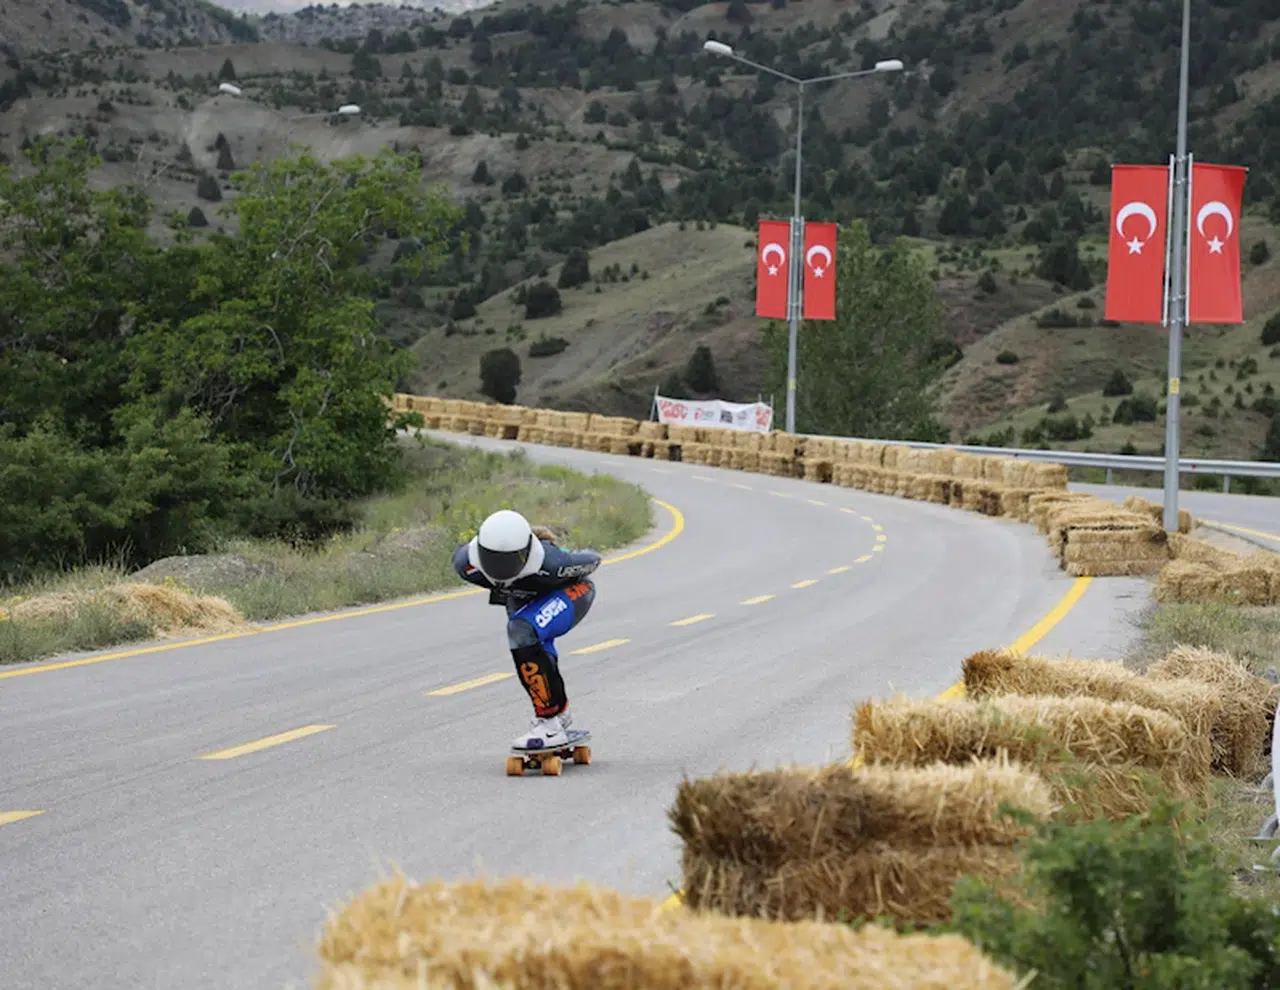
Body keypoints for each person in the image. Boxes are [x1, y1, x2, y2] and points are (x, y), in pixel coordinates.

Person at [452, 509, 601, 751]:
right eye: (492, 558)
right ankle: (558, 714)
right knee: (532, 648)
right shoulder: (466, 563)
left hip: (571, 592)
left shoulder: (553, 563)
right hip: (522, 598)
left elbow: (593, 558)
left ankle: (550, 725)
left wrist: (556, 549)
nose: (499, 567)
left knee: (521, 630)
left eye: (508, 560)